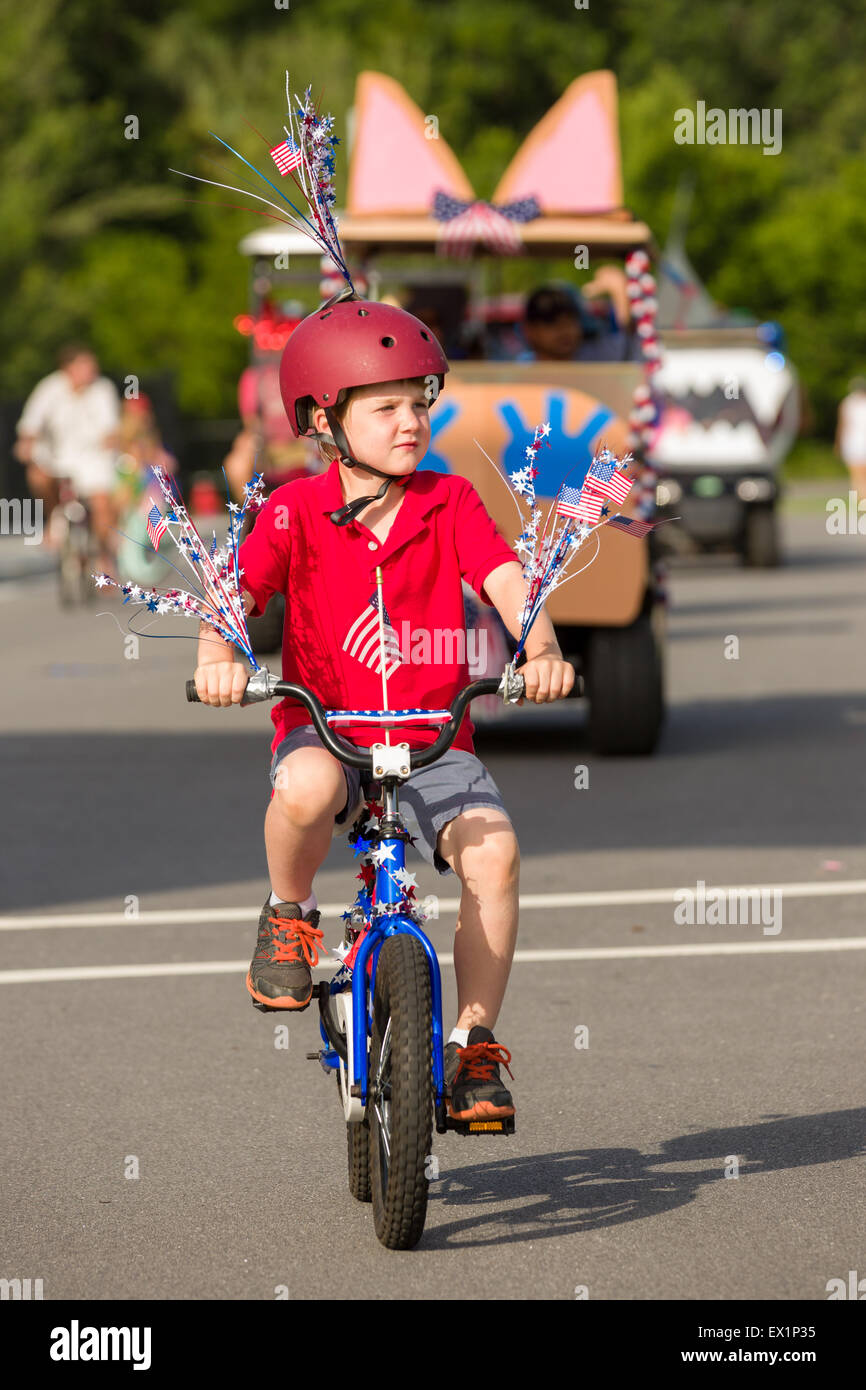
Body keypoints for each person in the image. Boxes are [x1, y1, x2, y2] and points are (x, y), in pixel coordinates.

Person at [191, 293, 575, 1124]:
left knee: (495, 855)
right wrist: (219, 658)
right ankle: (290, 913)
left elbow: (508, 582)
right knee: (300, 792)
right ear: (325, 420)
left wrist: (539, 649)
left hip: (435, 737)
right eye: (386, 406)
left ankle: (473, 1045)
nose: (411, 422)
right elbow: (233, 593)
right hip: (326, 729)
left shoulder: (451, 502)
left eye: (419, 402)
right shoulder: (293, 510)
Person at [15, 344, 121, 574]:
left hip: (93, 457)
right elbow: (31, 424)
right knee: (38, 475)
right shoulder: (49, 388)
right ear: (67, 368)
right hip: (57, 457)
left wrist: (111, 441)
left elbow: (110, 428)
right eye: (84, 365)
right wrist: (26, 444)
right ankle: (55, 515)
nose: (91, 370)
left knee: (102, 503)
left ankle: (104, 555)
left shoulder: (102, 389)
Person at [517, 274, 642, 364]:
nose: (564, 329)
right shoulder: (519, 372)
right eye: (551, 321)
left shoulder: (596, 361)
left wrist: (618, 289)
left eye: (571, 320)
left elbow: (629, 342)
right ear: (530, 330)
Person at [835, 377, 866, 501]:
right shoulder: (848, 403)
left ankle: (861, 499)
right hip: (855, 442)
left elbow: (843, 425)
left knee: (856, 475)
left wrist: (838, 443)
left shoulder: (847, 403)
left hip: (853, 442)